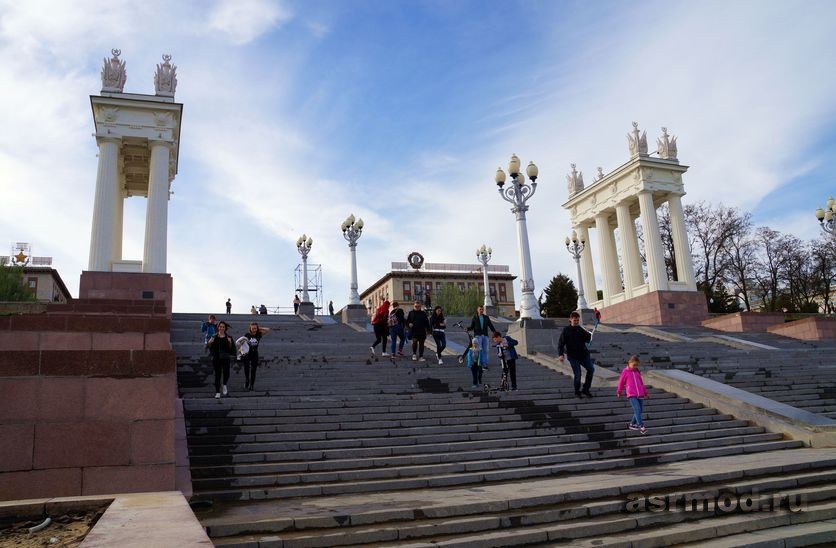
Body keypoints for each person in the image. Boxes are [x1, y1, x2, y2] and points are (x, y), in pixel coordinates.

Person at [558, 311, 595, 398]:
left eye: (578, 320)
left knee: (591, 369)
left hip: (584, 355)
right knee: (578, 374)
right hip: (573, 356)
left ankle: (585, 389)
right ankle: (577, 391)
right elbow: (561, 343)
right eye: (575, 320)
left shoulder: (581, 329)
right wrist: (561, 354)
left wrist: (590, 334)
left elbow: (588, 340)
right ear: (570, 320)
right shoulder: (566, 330)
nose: (576, 322)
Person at [617, 355, 649, 434]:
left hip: (640, 394)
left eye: (637, 365)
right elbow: (621, 382)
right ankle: (641, 426)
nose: (635, 366)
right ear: (629, 363)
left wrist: (645, 393)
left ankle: (632, 424)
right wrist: (619, 391)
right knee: (637, 409)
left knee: (639, 410)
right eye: (634, 365)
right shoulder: (625, 372)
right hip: (631, 394)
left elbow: (641, 383)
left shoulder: (637, 372)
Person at [239, 322, 271, 391]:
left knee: (253, 370)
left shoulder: (258, 334)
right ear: (250, 328)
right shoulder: (247, 335)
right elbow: (241, 343)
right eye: (252, 328)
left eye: (255, 328)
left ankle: (252, 385)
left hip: (254, 354)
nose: (254, 329)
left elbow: (268, 330)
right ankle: (247, 380)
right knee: (246, 368)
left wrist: (260, 328)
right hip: (247, 354)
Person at [207, 321, 234, 399]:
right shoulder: (214, 336)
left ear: (225, 328)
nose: (221, 328)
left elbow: (231, 349)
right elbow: (209, 347)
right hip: (217, 358)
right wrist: (209, 343)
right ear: (218, 327)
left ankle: (224, 384)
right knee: (217, 375)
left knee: (227, 373)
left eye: (223, 327)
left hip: (225, 357)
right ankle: (217, 392)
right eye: (220, 326)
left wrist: (230, 343)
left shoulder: (228, 337)